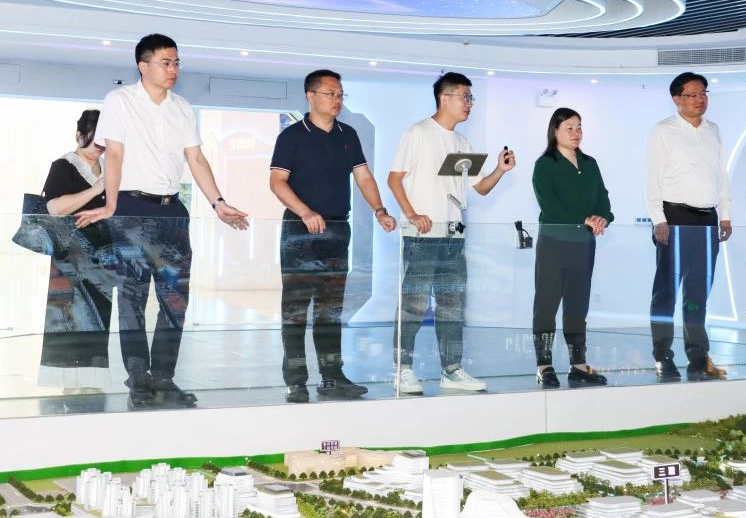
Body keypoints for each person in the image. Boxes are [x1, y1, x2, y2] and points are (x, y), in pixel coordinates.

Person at [76, 33, 249, 408]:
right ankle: (138, 379)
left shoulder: (182, 107)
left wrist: (218, 203)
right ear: (143, 66)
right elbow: (114, 155)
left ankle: (164, 377)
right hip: (131, 210)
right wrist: (111, 204)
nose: (173, 69)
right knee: (133, 299)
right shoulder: (120, 100)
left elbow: (196, 159)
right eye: (165, 63)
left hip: (172, 212)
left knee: (175, 298)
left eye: (176, 63)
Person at [270, 69, 397, 404]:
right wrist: (305, 212)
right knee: (295, 310)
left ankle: (332, 378)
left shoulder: (348, 134)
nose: (337, 99)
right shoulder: (292, 136)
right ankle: (296, 381)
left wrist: (380, 210)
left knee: (331, 309)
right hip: (299, 232)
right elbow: (277, 183)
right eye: (331, 94)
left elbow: (364, 177)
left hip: (337, 231)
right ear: (311, 96)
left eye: (340, 94)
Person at [387, 72, 515, 395]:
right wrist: (412, 214)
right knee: (414, 305)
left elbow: (480, 188)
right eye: (464, 97)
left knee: (452, 306)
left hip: (453, 237)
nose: (470, 104)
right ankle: (402, 369)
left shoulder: (461, 143)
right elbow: (394, 179)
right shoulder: (418, 132)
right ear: (444, 99)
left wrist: (500, 170)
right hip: (422, 236)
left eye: (471, 98)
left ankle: (452, 370)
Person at [645, 71, 731, 382]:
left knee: (698, 294)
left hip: (707, 220)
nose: (700, 99)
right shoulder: (663, 130)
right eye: (692, 95)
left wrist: (725, 214)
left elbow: (721, 176)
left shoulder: (713, 130)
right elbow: (652, 177)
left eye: (703, 93)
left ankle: (698, 357)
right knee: (666, 293)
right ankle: (662, 357)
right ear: (676, 99)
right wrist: (658, 218)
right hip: (673, 218)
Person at [531, 108, 613, 389]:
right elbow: (550, 206)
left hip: (584, 244)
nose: (576, 133)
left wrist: (602, 217)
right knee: (546, 305)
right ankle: (544, 365)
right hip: (553, 244)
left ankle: (578, 365)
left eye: (579, 127)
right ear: (555, 131)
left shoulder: (590, 163)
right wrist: (584, 218)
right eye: (569, 127)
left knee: (578, 306)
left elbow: (603, 197)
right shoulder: (545, 165)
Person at [38, 110, 114, 391]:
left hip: (101, 256)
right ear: (79, 136)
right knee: (67, 317)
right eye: (94, 141)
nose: (99, 148)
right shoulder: (64, 166)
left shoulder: (111, 168)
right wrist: (96, 189)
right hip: (69, 256)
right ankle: (68, 384)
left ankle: (91, 382)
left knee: (98, 318)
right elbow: (54, 208)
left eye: (104, 142)